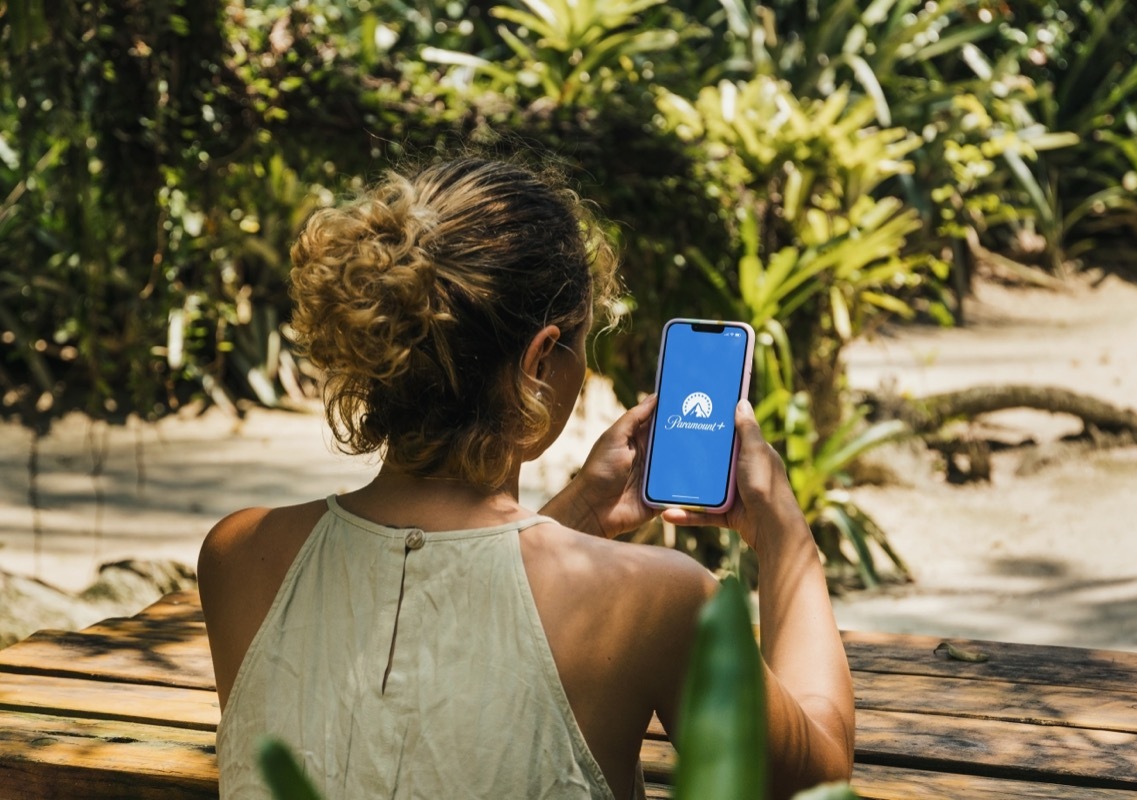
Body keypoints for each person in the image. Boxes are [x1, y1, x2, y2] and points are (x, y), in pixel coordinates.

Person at [198, 157, 854, 800]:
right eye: (583, 345)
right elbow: (816, 780)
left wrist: (580, 516)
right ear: (539, 360)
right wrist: (783, 530)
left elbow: (429, 676)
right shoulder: (657, 600)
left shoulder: (240, 555)